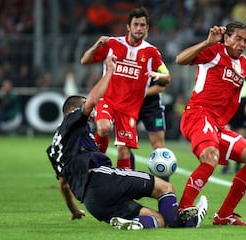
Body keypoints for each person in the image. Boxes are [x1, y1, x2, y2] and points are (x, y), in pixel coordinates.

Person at [46, 55, 207, 230]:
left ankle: (135, 224)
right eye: (85, 107)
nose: (92, 112)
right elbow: (92, 100)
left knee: (159, 220)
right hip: (100, 180)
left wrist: (75, 211)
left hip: (93, 204)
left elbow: (63, 184)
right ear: (72, 110)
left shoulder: (55, 148)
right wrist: (109, 72)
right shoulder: (72, 122)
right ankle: (187, 223)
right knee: (166, 187)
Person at [175, 21, 246, 226]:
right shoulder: (214, 51)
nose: (242, 43)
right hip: (198, 115)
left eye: (245, 40)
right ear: (226, 38)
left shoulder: (245, 64)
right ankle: (183, 208)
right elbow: (180, 59)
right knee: (211, 155)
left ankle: (224, 215)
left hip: (218, 126)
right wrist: (207, 42)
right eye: (238, 38)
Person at [80, 7, 171, 170]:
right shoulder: (113, 44)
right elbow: (85, 61)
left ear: (147, 28)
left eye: (142, 25)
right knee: (103, 127)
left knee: (123, 151)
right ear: (128, 27)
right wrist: (96, 45)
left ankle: (124, 189)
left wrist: (161, 76)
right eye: (136, 24)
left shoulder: (151, 52)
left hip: (129, 110)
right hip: (108, 100)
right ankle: (96, 166)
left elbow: (167, 75)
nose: (139, 28)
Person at [130, 80, 170, 181]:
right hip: (130, 105)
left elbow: (161, 87)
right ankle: (129, 181)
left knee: (158, 146)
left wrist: (136, 93)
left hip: (152, 107)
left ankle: (164, 186)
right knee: (125, 145)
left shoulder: (155, 64)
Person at [222, 79, 246, 174]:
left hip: (242, 102)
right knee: (226, 133)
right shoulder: (226, 67)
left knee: (240, 135)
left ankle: (238, 165)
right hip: (228, 101)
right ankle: (226, 165)